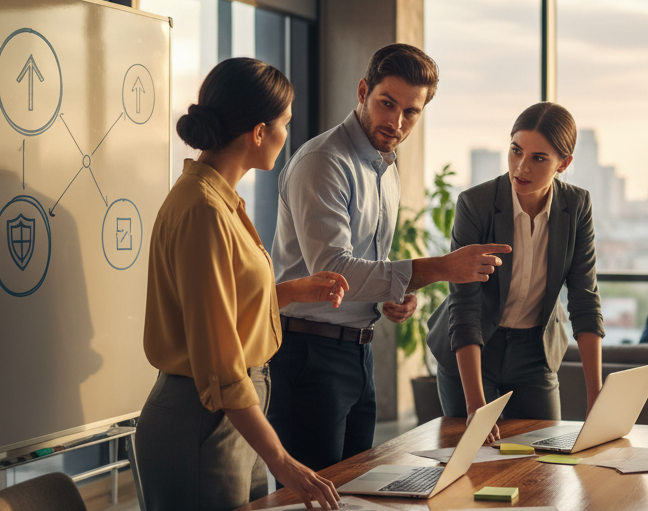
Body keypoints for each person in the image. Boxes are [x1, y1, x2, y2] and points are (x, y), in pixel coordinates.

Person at [269, 43, 509, 473]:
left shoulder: (385, 168)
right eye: (387, 103)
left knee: (355, 490)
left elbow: (367, 265)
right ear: (363, 90)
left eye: (411, 112)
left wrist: (392, 297)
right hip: (307, 356)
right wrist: (440, 268)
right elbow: (335, 272)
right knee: (309, 496)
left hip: (358, 353)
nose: (396, 122)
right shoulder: (324, 162)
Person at [137, 58, 345, 511]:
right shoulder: (204, 211)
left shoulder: (217, 199)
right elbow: (220, 359)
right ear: (257, 132)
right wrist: (282, 460)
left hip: (232, 415)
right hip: (203, 418)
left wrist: (291, 292)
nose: (287, 137)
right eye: (285, 124)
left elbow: (220, 306)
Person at [426, 102, 605, 442]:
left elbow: (584, 298)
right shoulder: (475, 205)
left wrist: (596, 394)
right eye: (516, 151)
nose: (521, 167)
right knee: (472, 462)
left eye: (539, 158)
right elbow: (464, 306)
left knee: (545, 463)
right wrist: (476, 403)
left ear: (563, 164)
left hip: (535, 352)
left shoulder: (577, 206)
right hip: (472, 347)